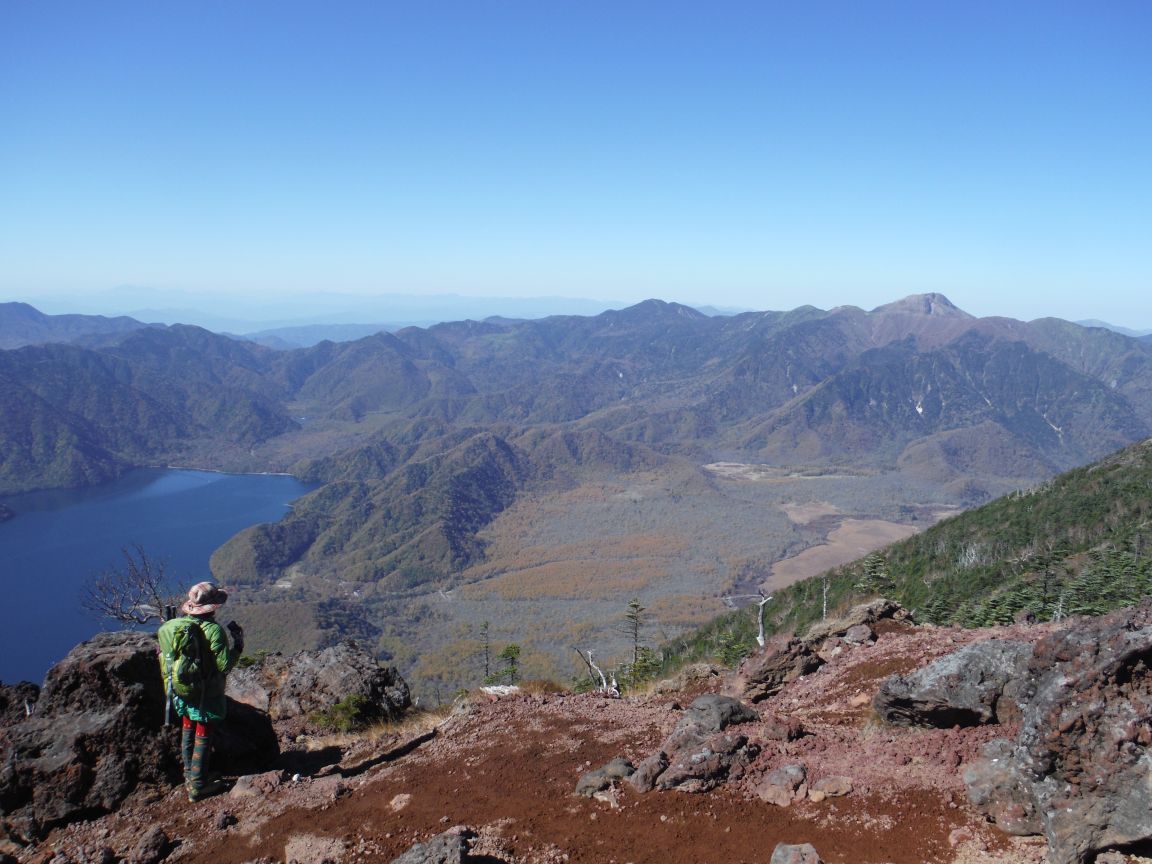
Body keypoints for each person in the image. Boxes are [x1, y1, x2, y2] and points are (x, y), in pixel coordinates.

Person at [158, 581, 244, 801]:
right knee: (204, 731)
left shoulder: (179, 626)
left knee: (188, 727)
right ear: (213, 606)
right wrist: (238, 644)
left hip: (182, 690)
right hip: (207, 692)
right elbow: (224, 665)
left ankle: (189, 774)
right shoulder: (213, 630)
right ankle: (198, 785)